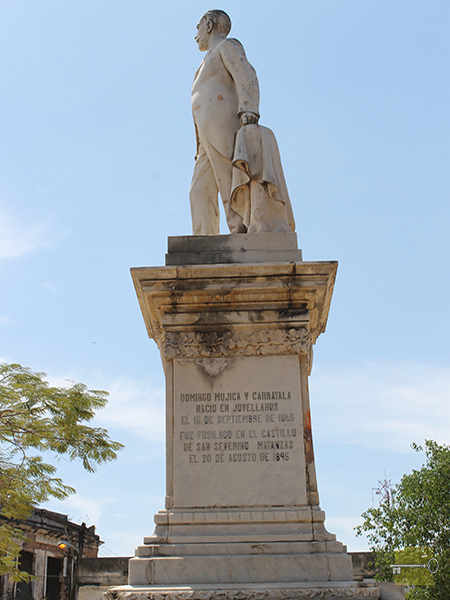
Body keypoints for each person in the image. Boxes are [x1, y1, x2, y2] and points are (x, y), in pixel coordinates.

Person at [190, 10, 260, 235]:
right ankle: (204, 240)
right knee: (199, 189)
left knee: (230, 180)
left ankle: (241, 231)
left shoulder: (227, 46)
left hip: (225, 125)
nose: (196, 35)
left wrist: (249, 108)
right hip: (205, 136)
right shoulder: (202, 64)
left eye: (198, 27)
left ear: (209, 25)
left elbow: (245, 74)